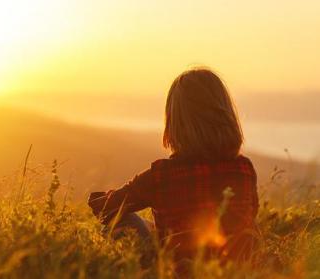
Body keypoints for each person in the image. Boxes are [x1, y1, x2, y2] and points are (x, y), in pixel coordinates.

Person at [88, 68, 258, 264]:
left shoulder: (161, 175)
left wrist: (105, 198)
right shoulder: (243, 169)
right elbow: (250, 218)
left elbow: (106, 209)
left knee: (123, 219)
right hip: (232, 270)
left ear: (175, 120)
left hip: (175, 270)